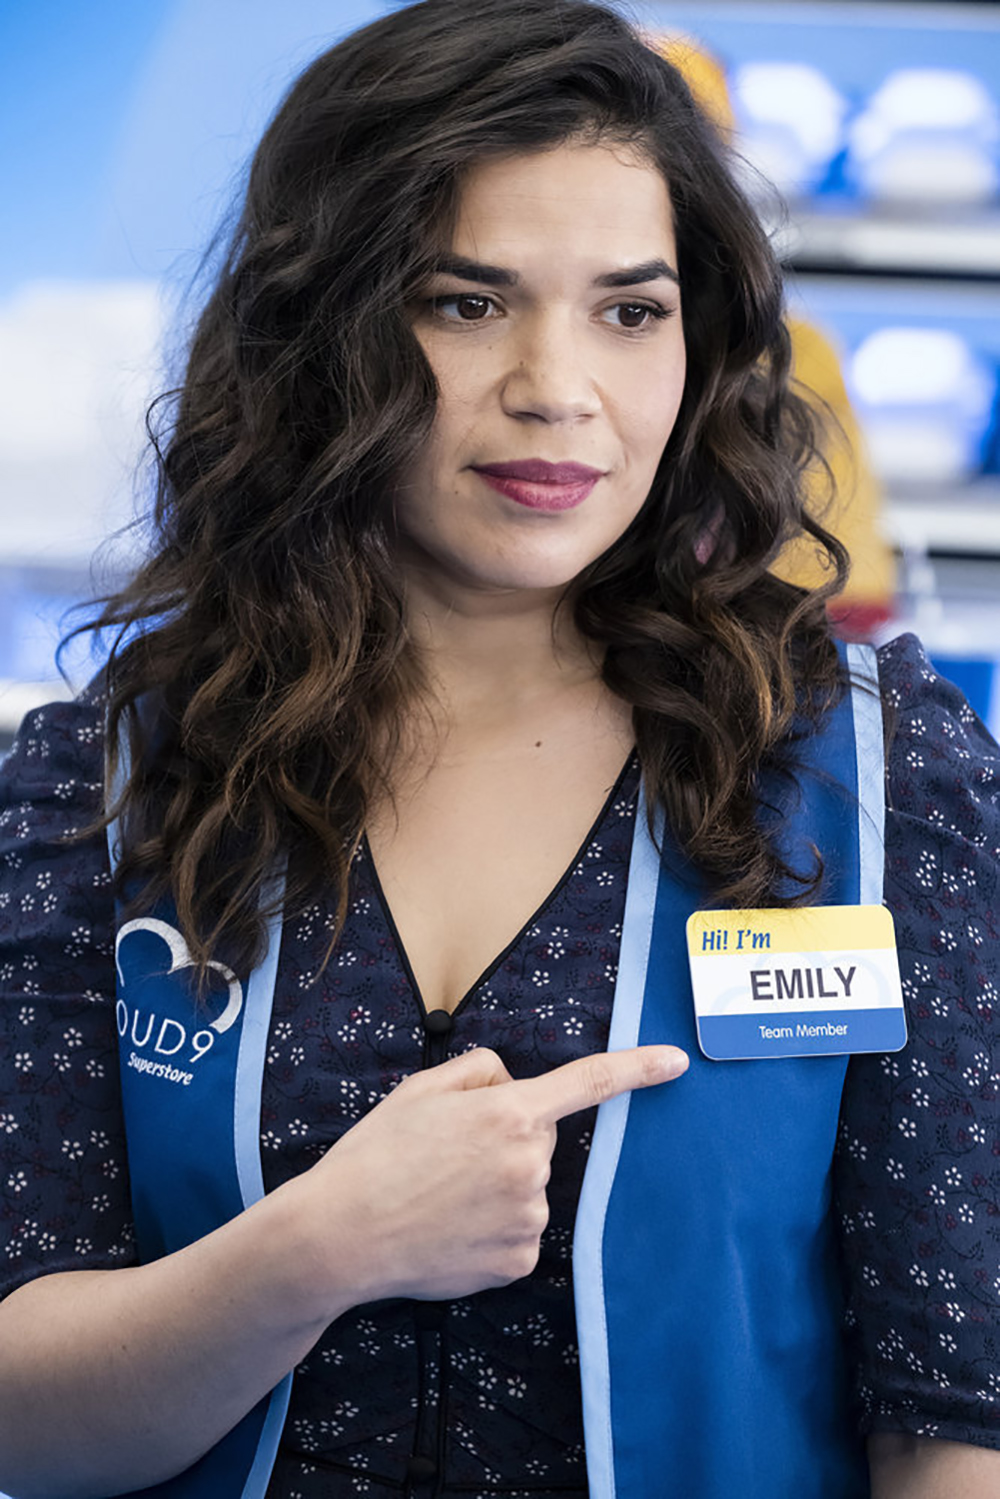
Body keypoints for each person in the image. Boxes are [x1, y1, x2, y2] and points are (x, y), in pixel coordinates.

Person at [0, 2, 997, 1496]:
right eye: (465, 302)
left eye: (630, 309)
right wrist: (315, 1251)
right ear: (321, 332)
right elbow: (25, 1415)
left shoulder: (869, 776)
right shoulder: (109, 783)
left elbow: (951, 1411)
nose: (557, 385)